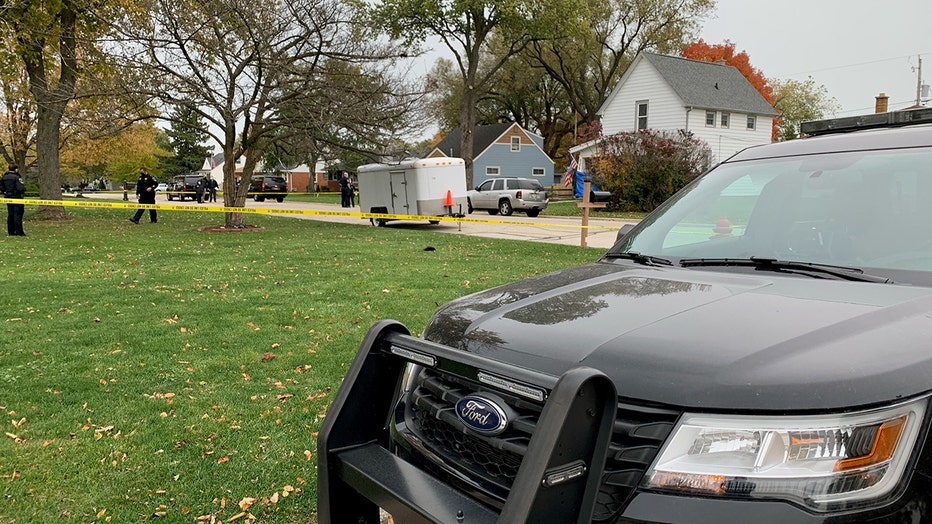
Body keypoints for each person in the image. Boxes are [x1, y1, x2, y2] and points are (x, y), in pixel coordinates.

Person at [2, 163, 26, 236]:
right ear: (16, 169)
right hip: (17, 198)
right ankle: (19, 232)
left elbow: (2, 187)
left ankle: (11, 231)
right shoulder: (16, 177)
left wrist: (5, 192)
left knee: (10, 214)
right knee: (18, 215)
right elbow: (20, 188)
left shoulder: (4, 177)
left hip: (8, 198)